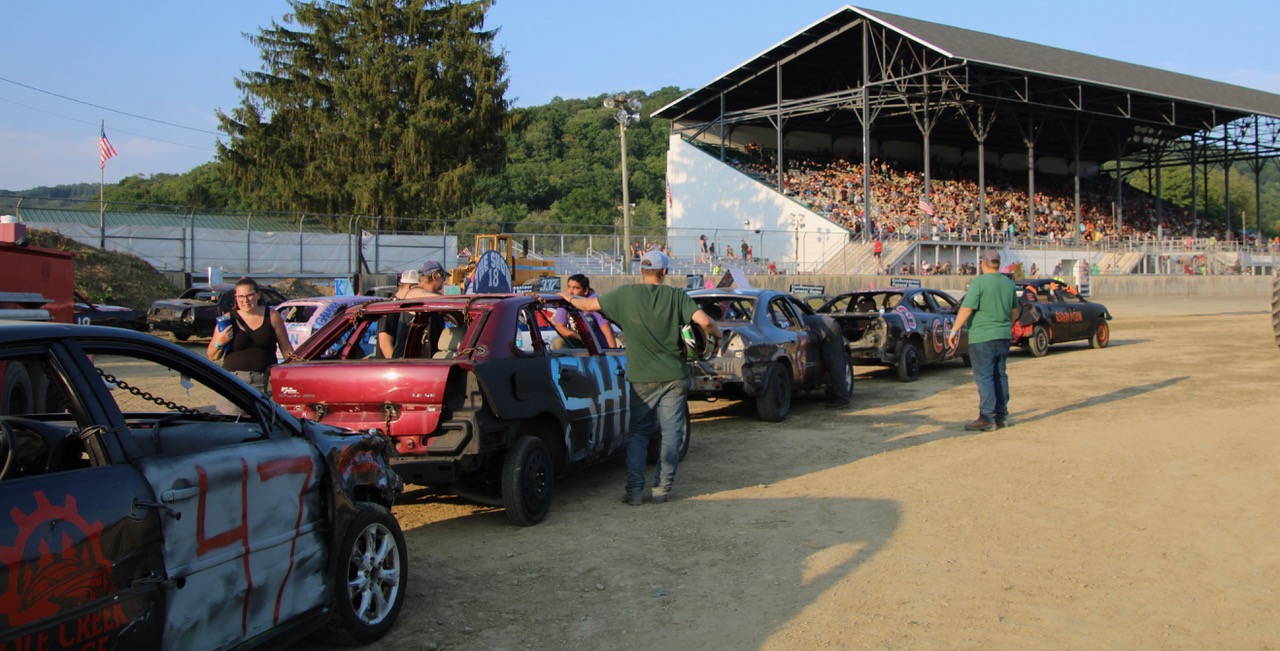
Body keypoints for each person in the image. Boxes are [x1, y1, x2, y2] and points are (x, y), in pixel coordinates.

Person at [563, 250, 721, 506]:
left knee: (638, 433)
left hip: (641, 377)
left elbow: (586, 305)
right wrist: (719, 335)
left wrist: (566, 296)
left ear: (640, 270)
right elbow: (705, 322)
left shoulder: (625, 294)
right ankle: (661, 490)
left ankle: (635, 491)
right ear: (665, 272)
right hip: (674, 376)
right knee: (671, 433)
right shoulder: (676, 296)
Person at [946, 249, 1019, 432]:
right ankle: (1001, 416)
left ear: (982, 263)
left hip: (982, 336)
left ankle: (987, 417)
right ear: (998, 263)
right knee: (1000, 375)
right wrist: (1005, 324)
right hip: (1002, 335)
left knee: (984, 377)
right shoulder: (1009, 283)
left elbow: (966, 309)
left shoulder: (979, 283)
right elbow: (1015, 311)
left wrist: (953, 331)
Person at [208, 277, 295, 415]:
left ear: (258, 294)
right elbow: (212, 355)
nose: (245, 300)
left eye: (249, 295)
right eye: (240, 296)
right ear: (236, 298)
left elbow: (286, 349)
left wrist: (299, 369)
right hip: (234, 382)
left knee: (267, 426)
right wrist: (220, 341)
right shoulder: (228, 318)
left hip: (264, 382)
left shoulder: (272, 316)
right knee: (233, 429)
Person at [378, 261, 446, 358]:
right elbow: (385, 345)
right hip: (406, 365)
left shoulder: (431, 300)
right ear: (435, 276)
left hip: (424, 365)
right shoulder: (414, 294)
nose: (444, 281)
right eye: (443, 277)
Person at [551, 274, 616, 348]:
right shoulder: (564, 300)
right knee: (558, 342)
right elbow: (560, 327)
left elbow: (606, 328)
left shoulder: (593, 301)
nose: (570, 292)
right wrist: (580, 337)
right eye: (569, 287)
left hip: (597, 342)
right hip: (578, 339)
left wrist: (613, 351)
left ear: (585, 291)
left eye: (576, 288)